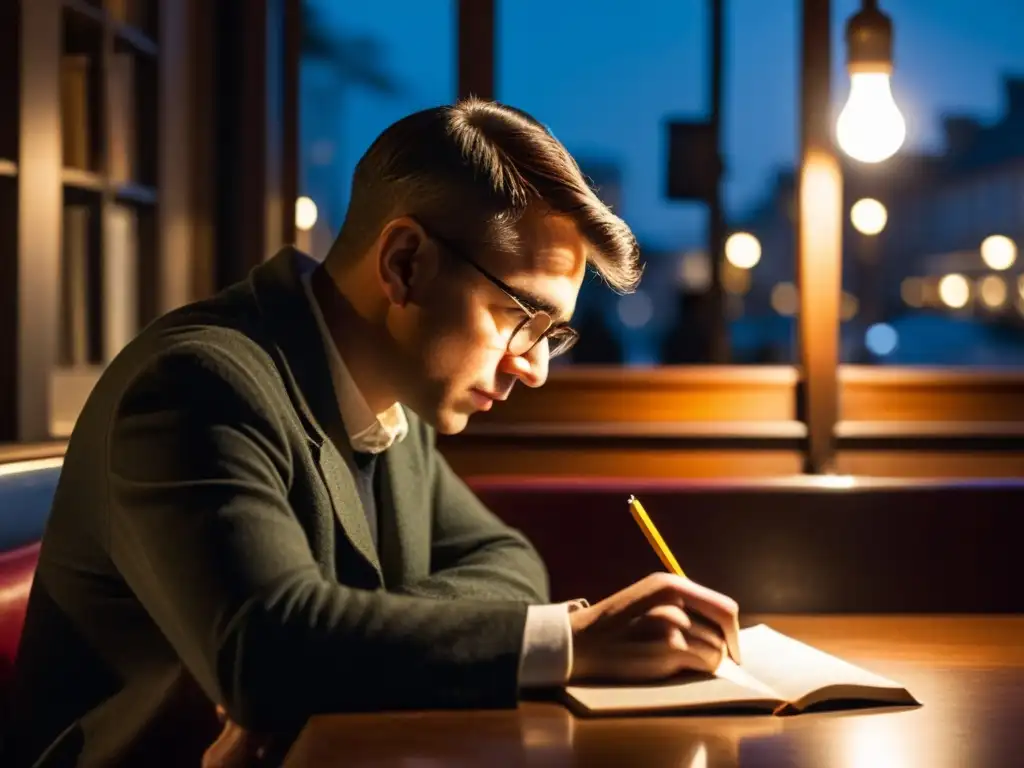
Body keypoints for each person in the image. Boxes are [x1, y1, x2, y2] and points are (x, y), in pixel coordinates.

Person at [5, 99, 741, 767]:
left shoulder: (390, 399)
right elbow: (266, 650)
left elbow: (508, 561)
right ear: (404, 263)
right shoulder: (197, 385)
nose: (537, 367)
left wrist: (342, 647)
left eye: (556, 333)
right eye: (524, 318)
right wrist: (564, 645)